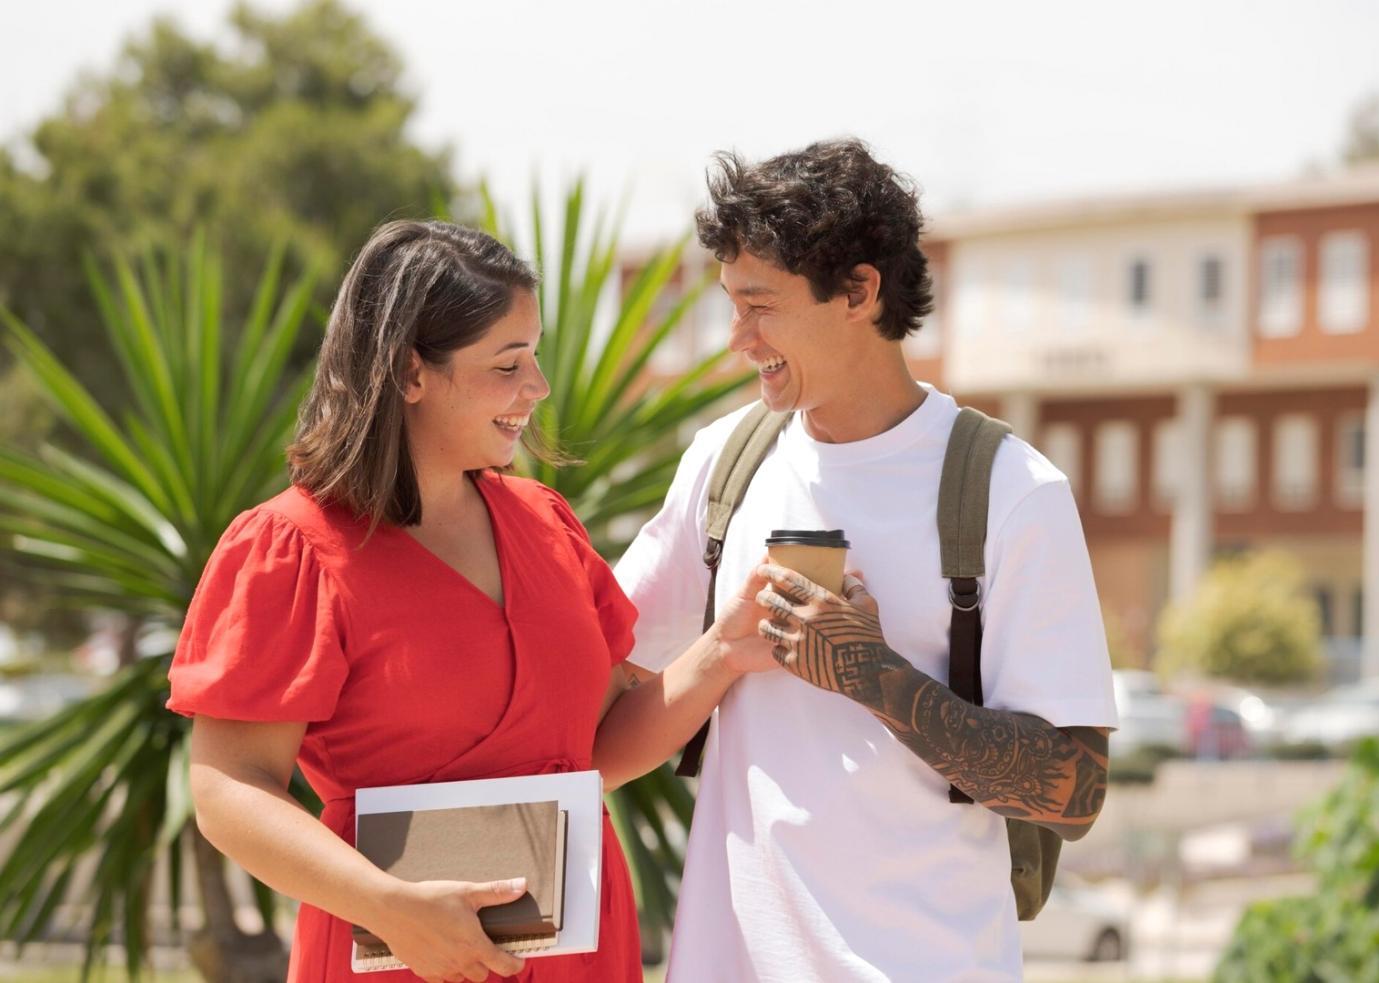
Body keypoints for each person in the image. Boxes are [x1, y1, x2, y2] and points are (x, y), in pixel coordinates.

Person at [168, 220, 776, 983]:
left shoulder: (548, 524)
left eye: (535, 354)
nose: (538, 386)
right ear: (409, 372)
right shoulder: (292, 548)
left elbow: (596, 748)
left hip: (576, 954)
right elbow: (226, 788)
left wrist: (724, 649)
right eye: (507, 363)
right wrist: (389, 904)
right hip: (396, 955)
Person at [610, 139, 1120, 981]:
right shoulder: (721, 465)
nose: (738, 338)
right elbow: (601, 743)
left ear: (858, 290)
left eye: (760, 305)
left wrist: (870, 674)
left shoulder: (1011, 490)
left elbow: (1076, 790)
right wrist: (720, 652)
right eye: (731, 305)